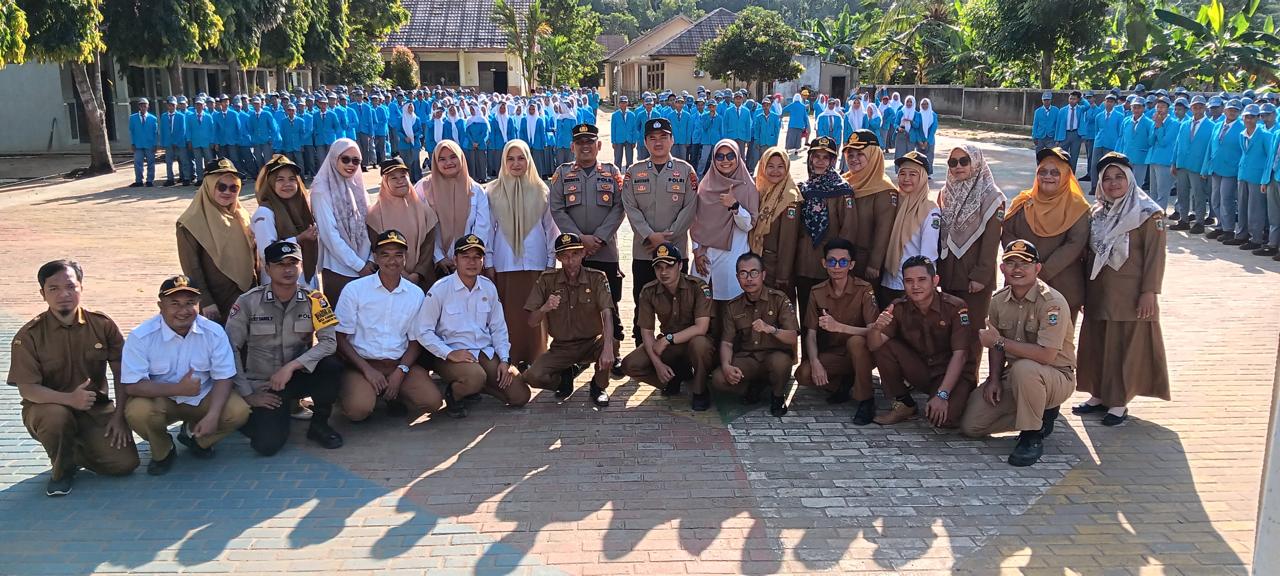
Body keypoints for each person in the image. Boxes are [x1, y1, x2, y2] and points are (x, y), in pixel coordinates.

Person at [8, 260, 139, 496]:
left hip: (94, 410)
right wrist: (69, 399)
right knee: (56, 417)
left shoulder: (102, 325)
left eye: (70, 287)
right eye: (54, 288)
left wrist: (119, 416)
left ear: (81, 288)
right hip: (46, 409)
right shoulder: (29, 335)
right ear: (43, 294)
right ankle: (62, 471)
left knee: (124, 464)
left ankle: (74, 447)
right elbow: (28, 389)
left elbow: (123, 373)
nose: (63, 295)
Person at [960, 240, 1077, 468]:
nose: (1017, 269)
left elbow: (1046, 356)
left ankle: (1031, 435)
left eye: (1025, 264)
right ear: (1002, 268)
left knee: (1025, 368)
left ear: (1037, 268)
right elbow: (996, 347)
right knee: (971, 425)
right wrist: (994, 378)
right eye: (1011, 263)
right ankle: (1041, 413)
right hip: (1016, 376)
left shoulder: (1052, 303)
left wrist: (999, 342)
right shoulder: (998, 301)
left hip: (1056, 375)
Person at [121, 275, 252, 476]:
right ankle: (163, 450)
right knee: (138, 412)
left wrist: (213, 415)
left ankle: (198, 441)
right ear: (160, 306)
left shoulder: (214, 332)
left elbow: (224, 377)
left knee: (238, 411)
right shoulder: (141, 336)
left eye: (190, 303)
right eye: (174, 303)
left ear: (198, 304)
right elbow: (133, 385)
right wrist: (177, 389)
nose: (183, 311)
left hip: (202, 397)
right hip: (161, 400)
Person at [1074, 153, 1169, 426]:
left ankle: (1118, 401)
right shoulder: (1097, 213)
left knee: (1123, 347)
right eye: (1106, 178)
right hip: (1099, 291)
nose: (1113, 183)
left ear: (1130, 179)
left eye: (1119, 177)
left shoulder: (1147, 213)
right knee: (1097, 343)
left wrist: (1149, 292)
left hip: (1129, 295)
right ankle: (1097, 395)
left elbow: (1155, 257)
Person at [225, 241, 344, 455]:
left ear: (301, 266)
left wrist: (291, 367)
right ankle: (254, 415)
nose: (288, 269)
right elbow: (229, 350)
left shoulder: (315, 300)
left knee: (330, 365)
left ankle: (319, 425)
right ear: (267, 268)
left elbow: (329, 342)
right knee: (267, 446)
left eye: (293, 263)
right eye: (280, 264)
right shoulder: (248, 302)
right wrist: (247, 394)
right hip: (263, 384)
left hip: (295, 377)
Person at [334, 230, 444, 422]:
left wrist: (401, 371)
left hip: (397, 364)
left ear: (405, 258)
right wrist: (367, 370)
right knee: (358, 410)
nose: (392, 261)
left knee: (432, 402)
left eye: (398, 255)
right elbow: (340, 337)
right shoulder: (355, 290)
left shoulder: (415, 294)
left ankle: (394, 394)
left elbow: (415, 341)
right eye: (385, 255)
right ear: (375, 258)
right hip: (362, 364)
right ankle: (356, 394)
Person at [417, 235, 533, 417]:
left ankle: (478, 387)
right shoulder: (440, 289)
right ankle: (454, 395)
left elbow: (498, 328)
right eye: (465, 257)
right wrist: (449, 353)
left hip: (484, 352)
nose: (472, 262)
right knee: (474, 377)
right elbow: (423, 331)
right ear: (455, 260)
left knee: (520, 396)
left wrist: (504, 360)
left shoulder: (488, 287)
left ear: (482, 261)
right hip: (452, 354)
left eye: (477, 257)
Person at [867, 256, 976, 428]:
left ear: (935, 280)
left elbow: (960, 356)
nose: (915, 286)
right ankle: (904, 404)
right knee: (885, 347)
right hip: (923, 370)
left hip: (951, 373)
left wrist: (942, 395)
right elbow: (874, 346)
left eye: (922, 280)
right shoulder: (899, 307)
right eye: (909, 281)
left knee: (944, 420)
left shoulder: (955, 307)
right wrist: (876, 328)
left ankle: (964, 398)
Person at [515, 233, 618, 407]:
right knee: (533, 376)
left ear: (583, 253)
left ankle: (599, 387)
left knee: (612, 343)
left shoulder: (597, 278)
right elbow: (532, 322)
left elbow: (607, 314)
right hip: (562, 347)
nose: (570, 261)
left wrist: (607, 347)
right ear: (558, 258)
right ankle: (564, 380)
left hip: (591, 343)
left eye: (575, 254)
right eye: (565, 256)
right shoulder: (547, 280)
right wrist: (545, 308)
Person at [622, 118, 699, 343]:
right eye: (652, 138)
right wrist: (649, 235)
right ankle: (641, 348)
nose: (658, 142)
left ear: (672, 140)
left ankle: (677, 350)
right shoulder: (634, 172)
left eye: (663, 137)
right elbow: (630, 207)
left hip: (676, 252)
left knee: (680, 305)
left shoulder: (685, 171)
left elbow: (690, 207)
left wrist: (667, 239)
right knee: (642, 302)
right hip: (644, 252)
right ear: (645, 142)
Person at [620, 243, 716, 410]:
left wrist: (667, 340)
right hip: (671, 347)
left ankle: (700, 390)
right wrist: (658, 364)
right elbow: (647, 333)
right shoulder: (648, 291)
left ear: (680, 265)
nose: (663, 272)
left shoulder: (698, 286)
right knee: (630, 364)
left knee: (700, 344)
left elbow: (701, 328)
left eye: (669, 266)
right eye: (659, 267)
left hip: (693, 341)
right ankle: (671, 379)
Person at [936, 145, 1005, 377]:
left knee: (973, 331)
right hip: (949, 274)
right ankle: (948, 379)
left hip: (974, 279)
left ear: (976, 162)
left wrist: (981, 275)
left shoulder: (992, 196)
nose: (958, 167)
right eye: (952, 162)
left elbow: (991, 242)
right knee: (950, 329)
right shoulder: (945, 193)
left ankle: (968, 381)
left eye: (964, 161)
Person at [488, 139, 558, 366]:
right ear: (503, 161)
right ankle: (510, 359)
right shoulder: (493, 191)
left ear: (529, 160)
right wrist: (488, 262)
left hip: (536, 261)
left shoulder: (541, 190)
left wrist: (551, 261)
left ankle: (536, 359)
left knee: (536, 312)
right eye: (510, 158)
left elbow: (551, 229)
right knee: (509, 314)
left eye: (521, 158)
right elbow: (488, 229)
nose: (516, 164)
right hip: (505, 262)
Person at [794, 239, 879, 424]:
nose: (837, 267)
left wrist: (840, 327)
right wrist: (815, 361)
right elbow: (811, 334)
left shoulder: (864, 289)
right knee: (803, 374)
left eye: (843, 262)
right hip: (837, 354)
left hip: (863, 353)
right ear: (824, 263)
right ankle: (844, 382)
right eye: (832, 261)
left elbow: (874, 331)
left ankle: (866, 400)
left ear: (851, 265)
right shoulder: (817, 292)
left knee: (855, 342)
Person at [1003, 147, 1091, 324]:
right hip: (1020, 287)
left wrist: (1038, 272)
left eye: (1055, 172)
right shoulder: (1023, 202)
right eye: (1042, 172)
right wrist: (1024, 267)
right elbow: (1007, 234)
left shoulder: (1078, 207)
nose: (1047, 176)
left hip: (1062, 289)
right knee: (1016, 337)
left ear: (1066, 175)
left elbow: (1074, 244)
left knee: (1058, 339)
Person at [710, 252, 799, 417]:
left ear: (763, 275)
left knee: (780, 363)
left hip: (774, 356)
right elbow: (727, 343)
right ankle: (753, 389)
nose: (749, 279)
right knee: (719, 378)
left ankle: (777, 396)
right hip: (748, 359)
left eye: (754, 273)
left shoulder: (779, 299)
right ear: (737, 277)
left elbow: (793, 337)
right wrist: (726, 366)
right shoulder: (733, 306)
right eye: (743, 274)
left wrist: (771, 329)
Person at [176, 158, 258, 325]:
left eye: (233, 188)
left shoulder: (242, 216)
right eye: (221, 186)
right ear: (208, 186)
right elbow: (192, 268)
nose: (227, 192)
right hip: (217, 301)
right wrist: (206, 301)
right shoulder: (190, 223)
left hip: (247, 296)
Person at [794, 136, 857, 321]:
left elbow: (848, 229)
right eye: (816, 156)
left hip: (830, 265)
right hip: (804, 264)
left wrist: (839, 263)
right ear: (810, 158)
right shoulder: (803, 188)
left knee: (829, 316)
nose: (820, 161)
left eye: (826, 157)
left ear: (832, 161)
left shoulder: (842, 190)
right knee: (806, 313)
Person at [691, 139, 758, 310]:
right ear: (713, 159)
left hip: (732, 256)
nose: (725, 161)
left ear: (738, 157)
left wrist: (735, 206)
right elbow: (695, 222)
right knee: (702, 307)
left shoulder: (747, 187)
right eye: (719, 156)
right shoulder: (705, 187)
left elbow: (749, 225)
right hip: (705, 256)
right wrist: (697, 251)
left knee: (730, 310)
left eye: (730, 156)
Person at [417, 139, 494, 278]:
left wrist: (465, 257)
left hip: (470, 265)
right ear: (435, 162)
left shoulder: (475, 190)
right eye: (442, 159)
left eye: (453, 157)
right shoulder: (423, 189)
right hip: (434, 265)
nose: (448, 163)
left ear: (461, 158)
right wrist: (439, 257)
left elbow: (482, 228)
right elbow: (422, 228)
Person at [841, 130, 899, 302]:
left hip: (865, 263)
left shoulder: (884, 189)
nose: (854, 159)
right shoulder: (844, 182)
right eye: (850, 154)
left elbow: (884, 230)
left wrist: (874, 264)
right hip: (842, 261)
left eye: (860, 154)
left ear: (873, 156)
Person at [879, 151, 942, 303]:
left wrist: (922, 284)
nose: (906, 179)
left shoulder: (929, 210)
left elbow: (928, 253)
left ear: (923, 177)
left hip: (912, 286)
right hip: (887, 280)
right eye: (902, 173)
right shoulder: (893, 203)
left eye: (913, 174)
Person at [367, 157, 438, 290]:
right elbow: (377, 248)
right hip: (390, 280)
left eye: (403, 176)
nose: (400, 181)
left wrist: (417, 274)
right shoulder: (375, 214)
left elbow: (428, 246)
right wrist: (402, 275)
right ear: (385, 182)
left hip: (422, 279)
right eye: (393, 178)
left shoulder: (423, 210)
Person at [251, 154, 318, 288]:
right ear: (270, 183)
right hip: (280, 286)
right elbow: (266, 252)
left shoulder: (301, 208)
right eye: (280, 180)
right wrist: (299, 239)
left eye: (292, 179)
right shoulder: (265, 213)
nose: (287, 184)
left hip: (305, 280)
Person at [751, 146, 801, 298]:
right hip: (759, 262)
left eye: (780, 166)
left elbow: (788, 241)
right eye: (770, 166)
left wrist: (783, 275)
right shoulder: (760, 190)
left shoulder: (790, 197)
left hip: (776, 269)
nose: (775, 171)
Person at [1170, 96, 1213, 233]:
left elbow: (1210, 150)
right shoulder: (1185, 124)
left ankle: (1200, 221)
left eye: (1200, 107)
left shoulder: (1211, 126)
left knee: (1199, 195)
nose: (1197, 109)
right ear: (1191, 108)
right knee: (1182, 194)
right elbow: (1177, 144)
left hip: (1198, 166)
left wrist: (1205, 168)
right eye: (1195, 107)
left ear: (1204, 108)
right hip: (1182, 164)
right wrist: (1174, 162)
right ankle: (1183, 219)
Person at [1235, 104, 1274, 251]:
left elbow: (1270, 158)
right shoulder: (1242, 134)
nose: (1249, 120)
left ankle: (1256, 238)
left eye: (1252, 117)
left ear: (1258, 118)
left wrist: (1265, 178)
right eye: (1246, 117)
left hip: (1257, 177)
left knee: (1255, 209)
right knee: (1242, 206)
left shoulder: (1265, 135)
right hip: (1243, 174)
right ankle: (1242, 234)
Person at [1206, 99, 1244, 243]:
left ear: (1239, 112)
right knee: (1215, 199)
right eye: (1230, 110)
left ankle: (1228, 229)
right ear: (1225, 110)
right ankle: (1220, 225)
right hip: (1216, 168)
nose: (1232, 112)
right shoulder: (1218, 125)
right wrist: (1206, 167)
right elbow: (1211, 147)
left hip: (1231, 170)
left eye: (1235, 110)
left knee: (1226, 199)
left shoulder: (1241, 128)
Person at [1117, 97, 1154, 189]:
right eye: (1134, 107)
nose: (1136, 110)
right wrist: (1118, 154)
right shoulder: (1126, 121)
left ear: (1144, 108)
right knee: (1125, 184)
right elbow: (1121, 139)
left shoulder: (1149, 123)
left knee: (1137, 185)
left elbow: (1151, 141)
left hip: (1141, 157)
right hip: (1126, 157)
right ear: (1131, 108)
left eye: (1139, 107)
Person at [1091, 93, 1124, 193]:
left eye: (1111, 102)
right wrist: (1097, 140)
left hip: (1111, 144)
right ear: (1104, 102)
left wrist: (1118, 147)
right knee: (1095, 165)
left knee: (1108, 166)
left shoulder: (1119, 116)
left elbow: (1120, 133)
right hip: (1099, 143)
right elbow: (1097, 130)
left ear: (1114, 103)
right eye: (1107, 101)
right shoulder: (1099, 116)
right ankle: (1094, 186)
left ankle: (1106, 187)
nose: (1109, 103)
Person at [1054, 90, 1087, 175]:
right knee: (1062, 156)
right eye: (1070, 98)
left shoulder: (1080, 109)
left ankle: (1071, 175)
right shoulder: (1062, 110)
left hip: (1076, 134)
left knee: (1074, 157)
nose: (1072, 100)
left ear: (1078, 100)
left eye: (1074, 99)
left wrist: (1082, 98)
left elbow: (1087, 106)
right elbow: (1058, 125)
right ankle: (1062, 174)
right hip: (1064, 134)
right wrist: (1057, 139)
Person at [159, 97, 190, 187]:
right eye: (170, 105)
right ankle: (170, 179)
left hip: (180, 143)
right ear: (167, 106)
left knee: (183, 161)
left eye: (173, 105)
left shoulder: (181, 116)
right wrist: (162, 143)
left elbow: (182, 130)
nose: (171, 107)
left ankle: (186, 178)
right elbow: (162, 130)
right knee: (169, 162)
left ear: (176, 105)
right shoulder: (164, 116)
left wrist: (176, 141)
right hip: (168, 143)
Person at [130, 98, 159, 187]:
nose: (143, 107)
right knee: (138, 163)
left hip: (149, 144)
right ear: (139, 106)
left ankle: (150, 180)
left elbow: (155, 133)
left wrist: (155, 144)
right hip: (138, 144)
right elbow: (131, 131)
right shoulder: (132, 118)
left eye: (145, 105)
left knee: (151, 163)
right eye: (141, 105)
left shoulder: (153, 118)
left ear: (148, 106)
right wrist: (132, 143)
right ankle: (139, 180)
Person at [910, 98, 939, 175]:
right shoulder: (918, 115)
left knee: (929, 157)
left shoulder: (933, 115)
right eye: (922, 104)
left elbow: (933, 129)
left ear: (929, 105)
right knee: (919, 158)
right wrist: (919, 141)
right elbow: (916, 129)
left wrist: (926, 141)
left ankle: (927, 173)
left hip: (930, 140)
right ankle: (920, 173)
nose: (924, 106)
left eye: (926, 104)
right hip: (919, 140)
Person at [611, 96, 635, 168]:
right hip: (618, 139)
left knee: (629, 159)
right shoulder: (615, 115)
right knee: (617, 159)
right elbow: (613, 129)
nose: (623, 104)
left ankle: (629, 172)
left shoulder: (632, 115)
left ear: (627, 103)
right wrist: (613, 141)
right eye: (621, 102)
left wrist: (634, 141)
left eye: (625, 102)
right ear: (619, 104)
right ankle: (617, 172)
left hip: (629, 139)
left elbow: (634, 129)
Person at [894, 95, 917, 159]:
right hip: (901, 134)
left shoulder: (916, 113)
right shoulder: (901, 112)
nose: (909, 103)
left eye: (910, 102)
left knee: (910, 155)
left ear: (913, 103)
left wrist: (910, 121)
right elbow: (895, 123)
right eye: (907, 101)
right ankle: (899, 166)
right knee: (899, 154)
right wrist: (899, 128)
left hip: (911, 136)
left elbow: (917, 126)